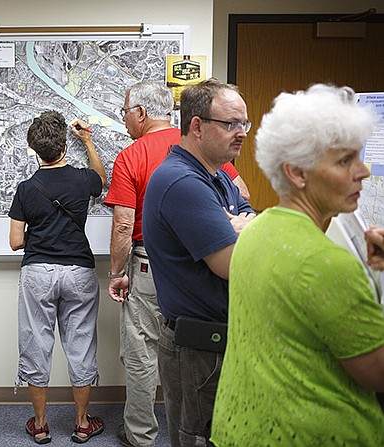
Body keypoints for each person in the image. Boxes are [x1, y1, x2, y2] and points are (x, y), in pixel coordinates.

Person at [211, 84, 384, 445]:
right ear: (297, 173)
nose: (363, 172)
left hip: (245, 426)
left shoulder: (257, 231)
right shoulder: (325, 263)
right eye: (344, 161)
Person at [141, 78, 255, 447]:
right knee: (200, 438)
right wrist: (234, 226)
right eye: (231, 124)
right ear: (196, 125)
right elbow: (231, 263)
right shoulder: (182, 182)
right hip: (200, 350)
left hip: (218, 341)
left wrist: (238, 224)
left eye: (245, 124)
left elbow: (252, 217)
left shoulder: (218, 176)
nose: (241, 134)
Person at [9, 111, 107, 444]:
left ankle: (39, 424)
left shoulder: (25, 188)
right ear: (64, 145)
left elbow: (15, 242)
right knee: (80, 345)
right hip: (79, 270)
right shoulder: (82, 180)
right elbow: (101, 179)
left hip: (38, 272)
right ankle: (81, 423)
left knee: (37, 344)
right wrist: (88, 139)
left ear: (36, 150)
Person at [103, 80, 180, 447]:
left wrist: (117, 273)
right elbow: (241, 193)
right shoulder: (197, 146)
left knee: (141, 351)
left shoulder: (132, 155)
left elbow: (122, 224)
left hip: (149, 265)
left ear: (142, 113)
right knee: (189, 349)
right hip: (196, 264)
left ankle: (141, 435)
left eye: (124, 112)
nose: (124, 120)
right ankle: (189, 433)